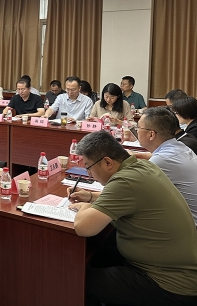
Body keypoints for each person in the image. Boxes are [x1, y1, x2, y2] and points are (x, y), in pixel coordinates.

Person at [68, 130, 197, 305]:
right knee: (100, 253)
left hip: (168, 284)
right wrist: (91, 196)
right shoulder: (142, 166)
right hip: (175, 268)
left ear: (107, 162)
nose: (89, 174)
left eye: (89, 167)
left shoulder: (125, 181)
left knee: (75, 280)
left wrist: (85, 207)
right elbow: (128, 197)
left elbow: (83, 227)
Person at [134, 107, 197, 224]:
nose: (136, 131)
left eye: (138, 127)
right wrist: (135, 155)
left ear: (151, 134)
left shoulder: (162, 160)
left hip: (190, 227)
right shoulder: (179, 146)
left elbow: (132, 193)